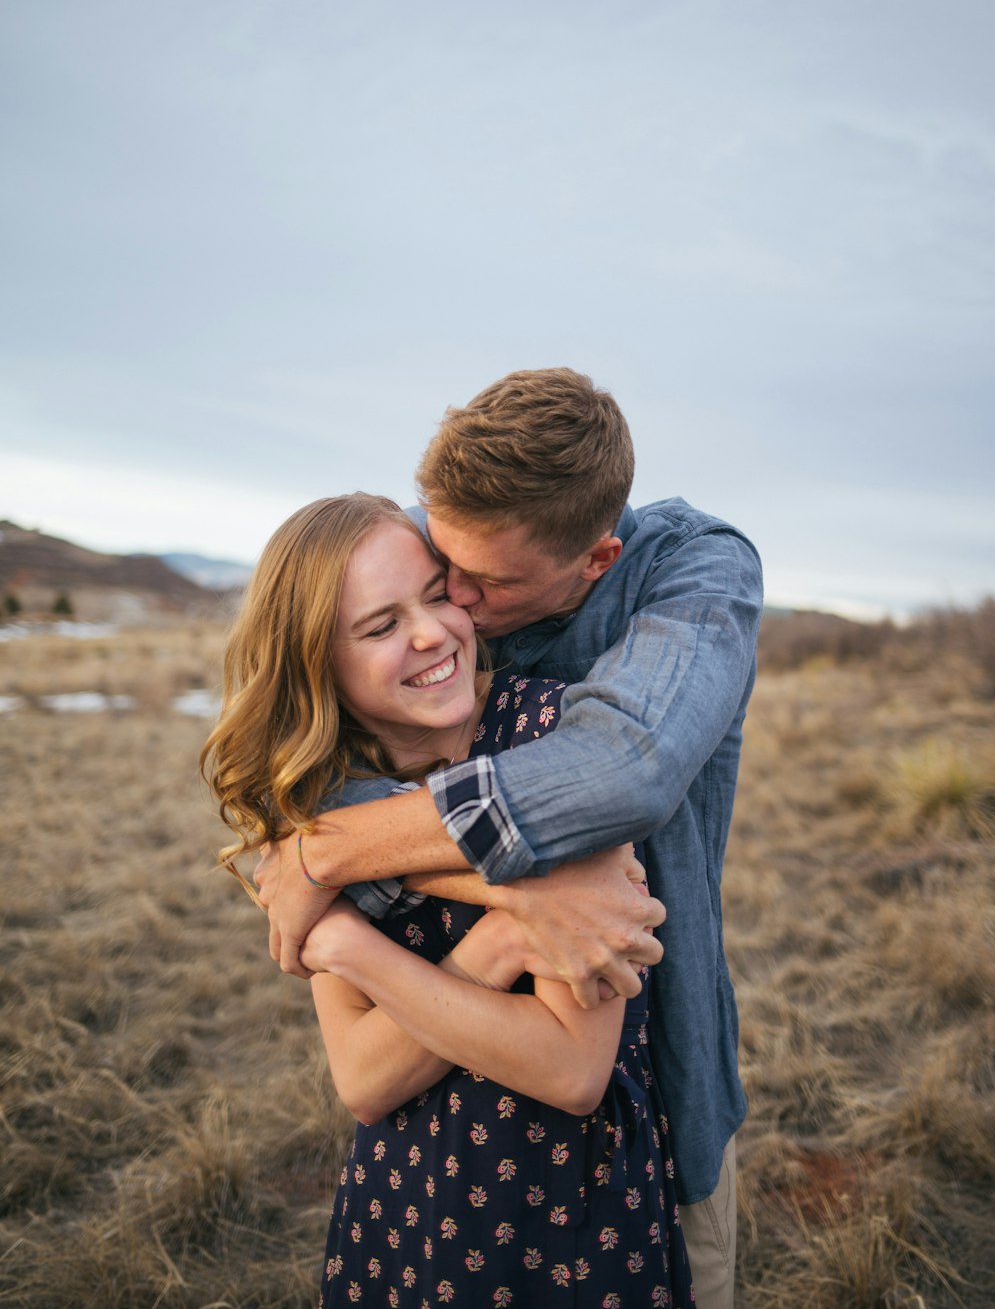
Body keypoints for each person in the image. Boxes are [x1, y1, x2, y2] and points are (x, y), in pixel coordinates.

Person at [255, 369, 763, 1309]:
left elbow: (622, 775)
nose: (453, 606)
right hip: (427, 1183)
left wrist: (326, 856)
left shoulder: (691, 576)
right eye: (439, 563)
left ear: (595, 561)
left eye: (483, 586)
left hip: (638, 1138)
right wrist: (511, 902)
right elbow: (311, 706)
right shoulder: (428, 555)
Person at [203, 493, 694, 1306]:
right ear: (318, 663)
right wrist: (498, 947)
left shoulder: (556, 747)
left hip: (573, 1209)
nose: (432, 633)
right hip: (408, 1206)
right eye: (380, 626)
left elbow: (572, 1067)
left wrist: (349, 944)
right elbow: (363, 1080)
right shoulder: (323, 806)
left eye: (437, 595)